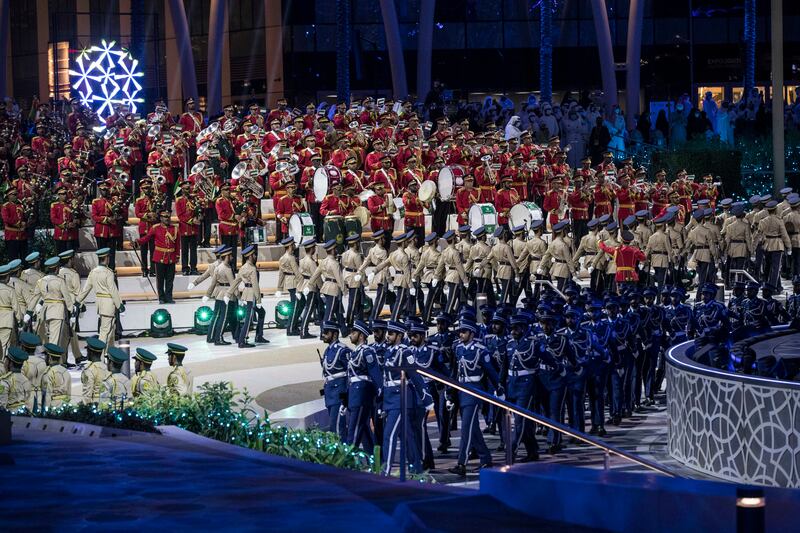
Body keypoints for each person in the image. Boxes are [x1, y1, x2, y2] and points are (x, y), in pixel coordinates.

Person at [448, 319, 501, 477]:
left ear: (471, 333)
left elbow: (490, 371)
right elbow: (455, 371)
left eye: (464, 331)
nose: (461, 334)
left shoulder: (480, 350)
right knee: (473, 428)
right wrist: (450, 391)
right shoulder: (457, 348)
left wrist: (499, 387)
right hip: (462, 390)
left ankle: (461, 463)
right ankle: (485, 457)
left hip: (475, 390)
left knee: (466, 427)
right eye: (460, 331)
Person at [346, 320, 383, 454]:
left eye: (353, 332)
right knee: (364, 430)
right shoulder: (355, 352)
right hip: (355, 394)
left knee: (354, 430)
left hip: (362, 394)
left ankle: (347, 461)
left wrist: (380, 393)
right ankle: (376, 461)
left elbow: (375, 373)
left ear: (361, 335)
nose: (350, 335)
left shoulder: (367, 352)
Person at [27, 256, 73, 350]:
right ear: (56, 268)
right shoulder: (60, 281)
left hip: (46, 311)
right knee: (55, 339)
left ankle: (50, 358)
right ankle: (52, 362)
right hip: (57, 311)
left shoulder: (41, 281)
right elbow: (67, 298)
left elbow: (34, 298)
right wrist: (72, 311)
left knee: (51, 336)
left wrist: (29, 312)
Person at [226, 245, 267, 348]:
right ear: (250, 256)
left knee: (261, 313)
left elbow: (236, 282)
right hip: (251, 294)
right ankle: (242, 341)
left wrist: (228, 294)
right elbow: (255, 285)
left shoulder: (243, 268)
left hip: (245, 293)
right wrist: (258, 300)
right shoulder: (252, 268)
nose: (255, 256)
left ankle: (258, 336)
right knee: (248, 319)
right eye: (254, 255)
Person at [138, 210, 180, 304]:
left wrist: (177, 255)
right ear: (160, 218)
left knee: (170, 280)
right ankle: (161, 297)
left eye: (168, 217)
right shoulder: (155, 228)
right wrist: (138, 242)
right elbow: (146, 238)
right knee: (160, 279)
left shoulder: (175, 228)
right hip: (160, 257)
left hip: (171, 257)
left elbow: (177, 244)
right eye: (165, 217)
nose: (167, 219)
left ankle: (169, 297)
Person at [308, 239, 347, 335]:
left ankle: (344, 330)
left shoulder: (323, 262)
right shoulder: (334, 263)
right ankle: (324, 332)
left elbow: (315, 274)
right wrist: (344, 290)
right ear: (333, 250)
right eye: (335, 249)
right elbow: (339, 278)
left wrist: (310, 283)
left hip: (326, 287)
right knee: (329, 313)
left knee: (338, 311)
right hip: (333, 288)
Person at [320, 321, 350, 440]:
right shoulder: (328, 351)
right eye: (323, 332)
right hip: (330, 392)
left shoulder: (343, 350)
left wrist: (346, 394)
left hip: (339, 392)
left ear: (335, 334)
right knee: (333, 426)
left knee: (337, 427)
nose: (323, 335)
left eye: (326, 333)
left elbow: (350, 372)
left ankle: (341, 454)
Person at [374, 232, 413, 321]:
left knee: (400, 300)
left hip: (397, 278)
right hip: (403, 279)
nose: (407, 242)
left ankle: (395, 318)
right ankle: (394, 319)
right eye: (406, 241)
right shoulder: (404, 256)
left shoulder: (393, 254)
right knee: (400, 301)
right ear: (403, 243)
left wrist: (375, 270)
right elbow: (407, 273)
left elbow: (384, 264)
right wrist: (411, 286)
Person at [357, 231, 390, 321]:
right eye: (382, 238)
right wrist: (389, 280)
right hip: (382, 275)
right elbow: (385, 267)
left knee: (387, 297)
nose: (384, 240)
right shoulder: (383, 251)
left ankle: (394, 315)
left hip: (376, 275)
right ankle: (373, 317)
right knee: (380, 300)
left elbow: (366, 262)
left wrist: (360, 271)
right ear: (379, 240)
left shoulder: (372, 250)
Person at [275, 237, 302, 335]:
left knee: (300, 303)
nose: (295, 246)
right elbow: (297, 273)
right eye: (293, 244)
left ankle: (293, 325)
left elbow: (281, 274)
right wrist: (300, 289)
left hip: (289, 282)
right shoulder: (291, 258)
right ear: (290, 246)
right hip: (295, 282)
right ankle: (291, 328)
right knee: (295, 306)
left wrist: (279, 288)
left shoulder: (282, 258)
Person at [175, 180, 201, 276]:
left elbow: (197, 210)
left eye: (189, 188)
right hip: (184, 227)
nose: (188, 190)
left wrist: (199, 216)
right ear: (182, 189)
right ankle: (185, 268)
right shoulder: (179, 200)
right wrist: (191, 220)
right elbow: (180, 215)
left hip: (193, 228)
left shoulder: (193, 199)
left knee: (193, 250)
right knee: (185, 250)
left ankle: (193, 268)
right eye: (186, 188)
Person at [0, 347, 33, 411]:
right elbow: (29, 404)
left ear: (11, 363)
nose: (5, 362)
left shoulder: (5, 381)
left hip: (9, 417)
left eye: (6, 360)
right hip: (24, 416)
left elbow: (2, 405)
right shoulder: (27, 381)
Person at [39, 343, 70, 409]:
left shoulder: (49, 372)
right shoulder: (65, 371)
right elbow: (69, 392)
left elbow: (47, 394)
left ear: (49, 357)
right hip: (65, 406)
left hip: (53, 406)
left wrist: (46, 410)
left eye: (46, 356)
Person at [80, 337, 110, 404]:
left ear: (90, 352)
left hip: (96, 404)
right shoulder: (107, 368)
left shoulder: (89, 370)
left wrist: (85, 408)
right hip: (107, 403)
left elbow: (87, 393)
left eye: (87, 351)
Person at [2, 188, 28, 261]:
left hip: (22, 236)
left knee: (24, 257)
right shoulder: (5, 206)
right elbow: (6, 219)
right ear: (9, 196)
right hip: (12, 236)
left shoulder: (20, 206)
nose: (16, 196)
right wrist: (19, 223)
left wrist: (25, 222)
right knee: (13, 258)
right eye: (14, 194)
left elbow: (24, 218)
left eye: (17, 194)